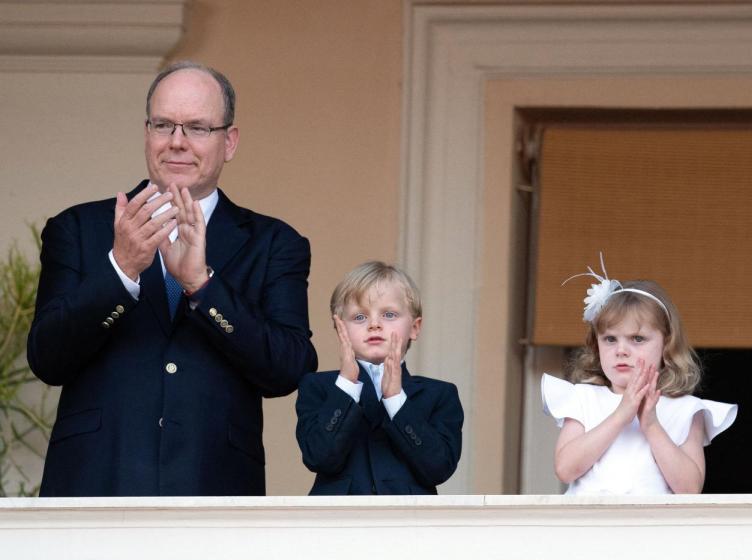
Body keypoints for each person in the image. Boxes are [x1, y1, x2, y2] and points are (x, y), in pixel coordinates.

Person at [27, 61, 318, 496]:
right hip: (95, 485)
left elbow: (289, 369)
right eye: (164, 125)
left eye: (197, 128)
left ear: (229, 141)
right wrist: (120, 270)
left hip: (214, 489)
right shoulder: (78, 228)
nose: (177, 142)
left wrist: (204, 286)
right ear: (147, 133)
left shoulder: (275, 243)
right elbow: (46, 358)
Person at [542, 259, 736, 494]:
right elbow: (565, 469)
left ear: (666, 345)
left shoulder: (685, 409)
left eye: (637, 339)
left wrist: (651, 425)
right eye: (610, 339)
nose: (621, 350)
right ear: (596, 346)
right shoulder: (583, 398)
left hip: (653, 528)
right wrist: (621, 415)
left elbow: (689, 488)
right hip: (590, 527)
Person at [295, 261, 463, 495]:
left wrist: (396, 400)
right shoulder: (318, 387)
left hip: (409, 525)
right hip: (338, 524)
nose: (374, 324)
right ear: (339, 327)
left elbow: (438, 468)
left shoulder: (440, 395)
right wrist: (347, 386)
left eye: (389, 314)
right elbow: (319, 457)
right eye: (360, 317)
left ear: (415, 328)